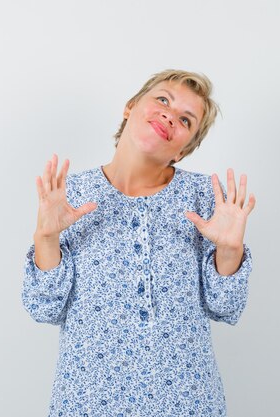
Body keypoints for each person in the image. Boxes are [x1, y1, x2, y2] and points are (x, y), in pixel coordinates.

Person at [21, 69, 256, 417]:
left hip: (187, 400)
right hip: (87, 399)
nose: (169, 116)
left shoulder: (207, 198)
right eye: (163, 99)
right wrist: (46, 237)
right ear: (130, 107)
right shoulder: (69, 196)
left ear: (185, 149)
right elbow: (44, 307)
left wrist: (230, 250)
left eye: (185, 120)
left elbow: (225, 306)